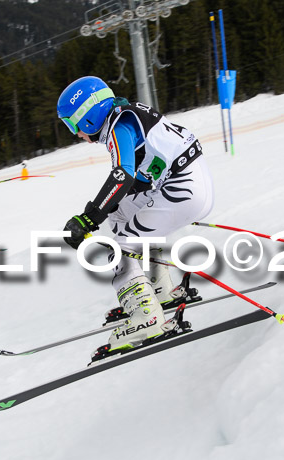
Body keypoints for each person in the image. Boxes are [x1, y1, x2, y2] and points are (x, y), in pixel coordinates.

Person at [57, 76, 214, 359]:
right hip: (185, 182)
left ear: (89, 117)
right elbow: (142, 171)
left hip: (182, 188)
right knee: (119, 213)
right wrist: (105, 209)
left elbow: (122, 174)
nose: (76, 134)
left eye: (73, 125)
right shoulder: (127, 114)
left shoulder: (120, 126)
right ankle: (158, 290)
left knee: (122, 247)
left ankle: (146, 318)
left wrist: (88, 218)